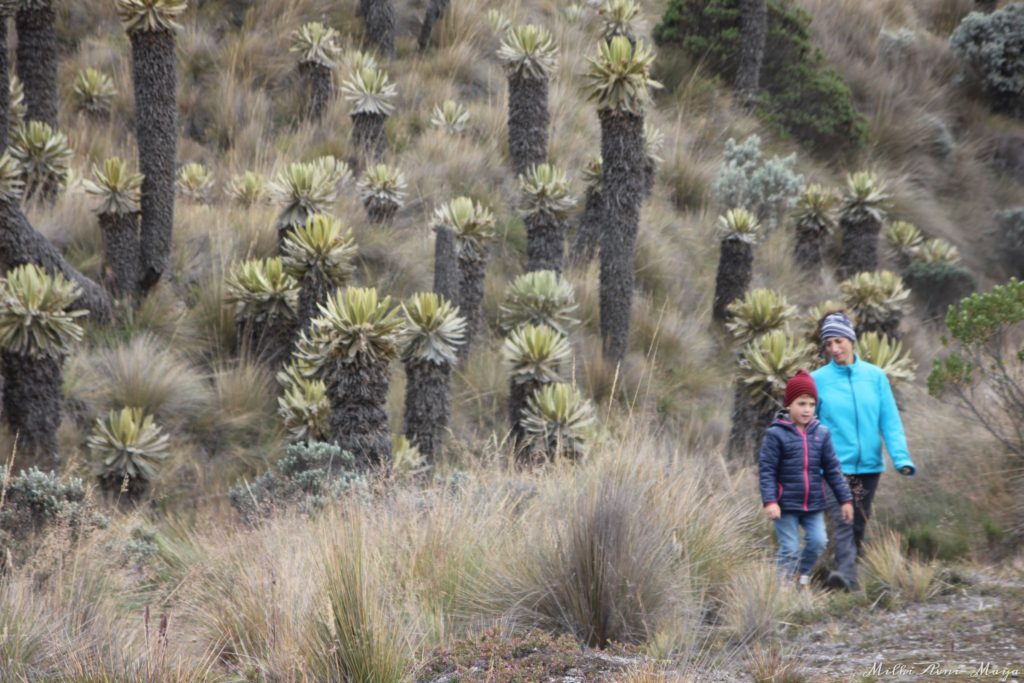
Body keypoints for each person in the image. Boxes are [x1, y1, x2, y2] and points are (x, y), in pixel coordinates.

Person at [812, 311, 917, 592]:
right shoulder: (817, 380)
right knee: (843, 521)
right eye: (828, 344)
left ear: (851, 340)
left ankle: (847, 575)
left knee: (858, 523)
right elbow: (810, 426)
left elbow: (889, 421)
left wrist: (901, 458)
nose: (834, 349)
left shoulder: (875, 377)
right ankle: (846, 577)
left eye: (838, 341)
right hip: (833, 469)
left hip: (868, 468)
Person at [759, 370, 854, 588]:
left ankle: (800, 577)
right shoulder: (776, 434)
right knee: (790, 547)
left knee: (819, 542)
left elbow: (832, 469)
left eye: (811, 404)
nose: (807, 409)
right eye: (801, 403)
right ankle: (781, 589)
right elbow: (767, 470)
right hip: (784, 505)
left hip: (812, 504)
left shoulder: (821, 433)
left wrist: (845, 500)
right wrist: (770, 501)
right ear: (789, 404)